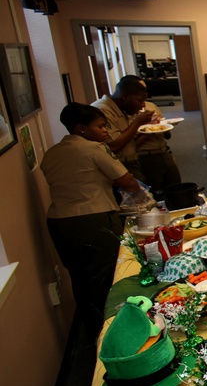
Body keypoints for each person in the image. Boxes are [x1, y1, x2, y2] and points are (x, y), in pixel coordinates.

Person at [41, 103, 150, 339]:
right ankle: (115, 330)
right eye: (100, 126)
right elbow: (126, 180)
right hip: (92, 220)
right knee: (107, 275)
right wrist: (144, 197)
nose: (105, 131)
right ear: (81, 128)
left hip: (60, 223)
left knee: (79, 276)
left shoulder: (51, 153)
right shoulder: (94, 149)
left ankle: (92, 329)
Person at [92, 75, 155, 182]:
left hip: (132, 162)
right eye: (139, 101)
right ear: (124, 97)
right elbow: (113, 146)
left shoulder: (121, 109)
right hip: (119, 165)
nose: (143, 106)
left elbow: (129, 141)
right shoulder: (102, 110)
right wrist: (137, 122)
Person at [134, 85, 181, 193]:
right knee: (155, 189)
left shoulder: (151, 106)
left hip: (164, 152)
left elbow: (166, 134)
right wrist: (147, 127)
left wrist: (167, 124)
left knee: (175, 184)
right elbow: (131, 143)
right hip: (145, 155)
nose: (142, 103)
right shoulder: (130, 112)